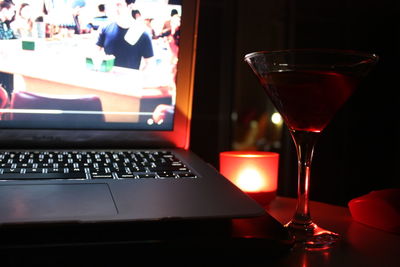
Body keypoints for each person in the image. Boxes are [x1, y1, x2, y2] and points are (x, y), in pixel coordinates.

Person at [96, 0, 154, 70]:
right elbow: (95, 53)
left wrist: (138, 77)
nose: (114, 8)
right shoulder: (105, 28)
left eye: (118, 5)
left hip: (129, 79)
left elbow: (149, 63)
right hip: (107, 77)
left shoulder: (143, 33)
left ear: (130, 6)